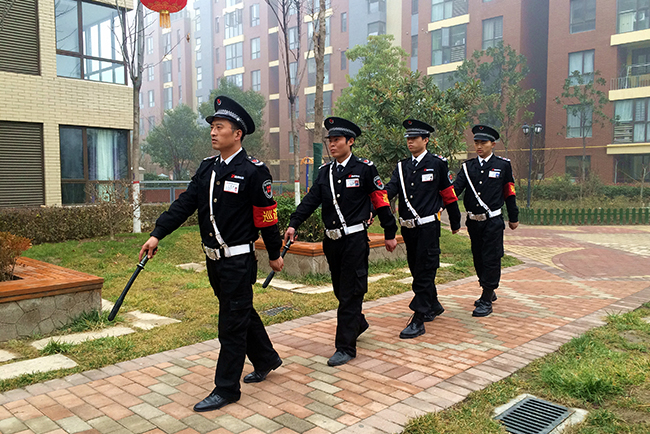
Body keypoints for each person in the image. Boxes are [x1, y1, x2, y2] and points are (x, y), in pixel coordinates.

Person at [139, 95, 284, 412]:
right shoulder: (208, 169)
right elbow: (184, 205)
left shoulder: (254, 171)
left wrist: (274, 253)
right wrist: (156, 233)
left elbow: (267, 217)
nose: (213, 132)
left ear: (237, 133)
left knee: (230, 325)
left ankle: (226, 389)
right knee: (239, 312)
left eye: (220, 127)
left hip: (238, 260)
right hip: (213, 260)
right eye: (212, 127)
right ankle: (266, 358)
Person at [283, 117, 398, 367]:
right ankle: (357, 322)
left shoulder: (365, 169)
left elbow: (380, 200)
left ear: (350, 142)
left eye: (337, 140)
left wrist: (390, 231)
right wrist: (293, 223)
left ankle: (345, 347)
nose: (332, 145)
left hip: (355, 239)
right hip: (332, 242)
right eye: (330, 141)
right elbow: (311, 200)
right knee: (340, 290)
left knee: (350, 292)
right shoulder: (326, 172)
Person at [385, 119, 461, 339]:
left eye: (414, 138)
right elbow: (390, 189)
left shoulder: (437, 164)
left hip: (428, 227)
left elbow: (448, 194)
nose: (410, 141)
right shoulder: (402, 167)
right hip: (408, 229)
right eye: (408, 138)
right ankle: (433, 304)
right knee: (417, 269)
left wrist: (455, 222)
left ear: (425, 140)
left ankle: (418, 318)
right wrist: (373, 205)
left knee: (425, 270)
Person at [452, 125, 519, 317]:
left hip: (493, 221)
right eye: (476, 142)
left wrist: (513, 217)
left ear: (493, 144)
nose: (479, 146)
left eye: (483, 142)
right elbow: (456, 189)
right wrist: (441, 203)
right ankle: (487, 287)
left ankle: (486, 296)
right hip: (474, 221)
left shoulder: (502, 165)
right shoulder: (467, 167)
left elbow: (509, 192)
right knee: (478, 257)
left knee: (491, 257)